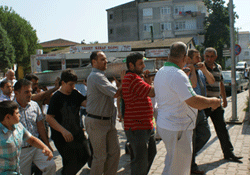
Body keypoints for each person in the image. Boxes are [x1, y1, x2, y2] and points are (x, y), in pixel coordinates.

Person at [154, 42, 221, 175]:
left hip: (168, 125)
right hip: (177, 127)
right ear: (184, 57)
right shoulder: (177, 74)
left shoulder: (162, 71)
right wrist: (213, 101)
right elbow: (193, 101)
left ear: (169, 55)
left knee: (172, 164)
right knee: (179, 169)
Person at [46, 69, 90, 175]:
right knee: (71, 162)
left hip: (77, 134)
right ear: (63, 83)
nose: (73, 87)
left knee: (86, 156)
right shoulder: (56, 97)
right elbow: (49, 118)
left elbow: (88, 104)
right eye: (70, 84)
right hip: (62, 137)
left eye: (74, 84)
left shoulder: (75, 94)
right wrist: (63, 131)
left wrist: (89, 88)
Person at [204, 47, 243, 162]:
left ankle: (229, 153)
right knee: (200, 130)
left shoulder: (218, 67)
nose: (209, 58)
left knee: (222, 129)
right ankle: (191, 158)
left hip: (217, 103)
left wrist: (224, 99)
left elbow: (221, 84)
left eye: (211, 56)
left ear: (215, 57)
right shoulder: (201, 67)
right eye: (207, 56)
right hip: (204, 104)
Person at [85, 51, 121, 175]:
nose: (106, 62)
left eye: (106, 59)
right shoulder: (96, 76)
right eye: (102, 59)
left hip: (107, 121)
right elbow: (116, 93)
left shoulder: (101, 75)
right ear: (93, 62)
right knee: (100, 157)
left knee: (115, 153)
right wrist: (125, 81)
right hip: (97, 122)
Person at [122, 52, 156, 175]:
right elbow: (152, 92)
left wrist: (148, 81)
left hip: (145, 125)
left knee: (151, 154)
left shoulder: (136, 78)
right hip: (137, 127)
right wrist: (158, 82)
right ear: (131, 65)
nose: (144, 66)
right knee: (140, 161)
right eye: (140, 63)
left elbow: (146, 91)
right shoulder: (132, 78)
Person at [14, 79, 56, 175]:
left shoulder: (34, 105)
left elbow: (40, 126)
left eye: (30, 91)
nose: (29, 94)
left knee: (50, 165)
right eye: (26, 92)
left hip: (36, 147)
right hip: (21, 151)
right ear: (16, 93)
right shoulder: (10, 109)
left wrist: (46, 144)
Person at [0, 101, 53, 174]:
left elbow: (32, 140)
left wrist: (45, 147)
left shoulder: (18, 126)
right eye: (17, 113)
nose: (19, 115)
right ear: (8, 117)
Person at [186, 49, 215, 174]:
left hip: (201, 110)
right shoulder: (186, 71)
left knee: (205, 134)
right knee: (191, 138)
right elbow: (193, 85)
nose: (200, 60)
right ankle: (191, 165)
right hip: (191, 109)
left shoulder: (201, 70)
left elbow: (212, 81)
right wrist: (192, 69)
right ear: (189, 59)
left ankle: (188, 156)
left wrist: (203, 70)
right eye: (197, 57)